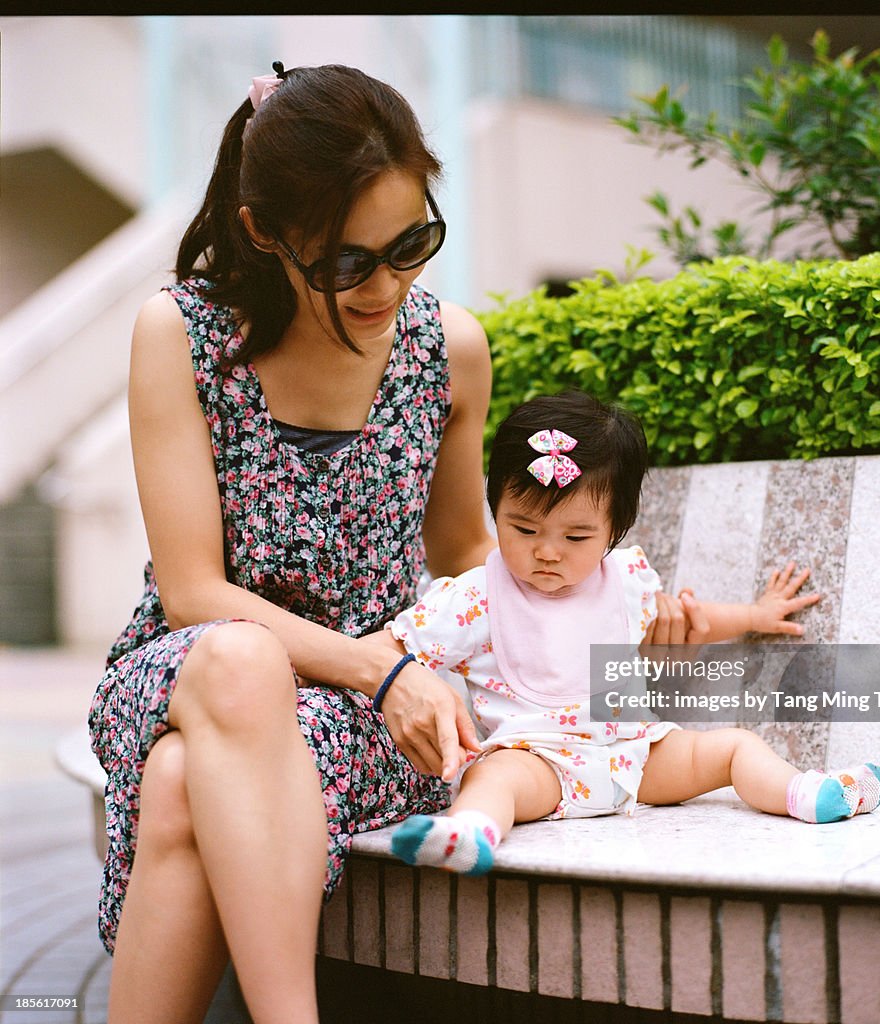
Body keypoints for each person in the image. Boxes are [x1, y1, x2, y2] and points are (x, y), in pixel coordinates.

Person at [86, 63, 713, 1024]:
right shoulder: (180, 334)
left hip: (372, 714)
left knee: (179, 784)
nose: (387, 284)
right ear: (265, 233)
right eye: (348, 261)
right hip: (197, 671)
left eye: (412, 242)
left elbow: (468, 550)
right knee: (240, 663)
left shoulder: (447, 347)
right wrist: (383, 673)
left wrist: (597, 614)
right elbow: (192, 594)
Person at [369, 391, 880, 876]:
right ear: (495, 509)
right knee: (492, 776)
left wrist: (755, 614)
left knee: (734, 748)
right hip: (540, 764)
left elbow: (689, 617)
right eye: (523, 529)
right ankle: (469, 834)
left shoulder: (626, 582)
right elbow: (387, 651)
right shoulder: (474, 596)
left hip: (637, 756)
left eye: (576, 535)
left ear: (615, 530)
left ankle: (810, 793)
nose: (547, 551)